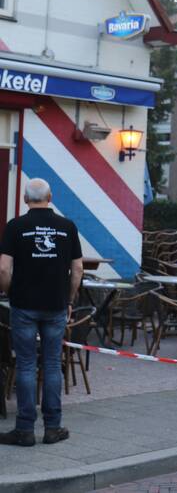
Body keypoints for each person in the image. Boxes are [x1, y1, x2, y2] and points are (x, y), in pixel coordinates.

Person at [0, 178, 84, 447]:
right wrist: (69, 299)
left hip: (23, 305)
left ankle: (24, 430)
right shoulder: (67, 227)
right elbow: (78, 270)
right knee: (51, 365)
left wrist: (8, 292)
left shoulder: (15, 227)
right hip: (56, 306)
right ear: (50, 196)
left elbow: (3, 269)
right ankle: (52, 428)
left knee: (25, 364)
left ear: (26, 199)